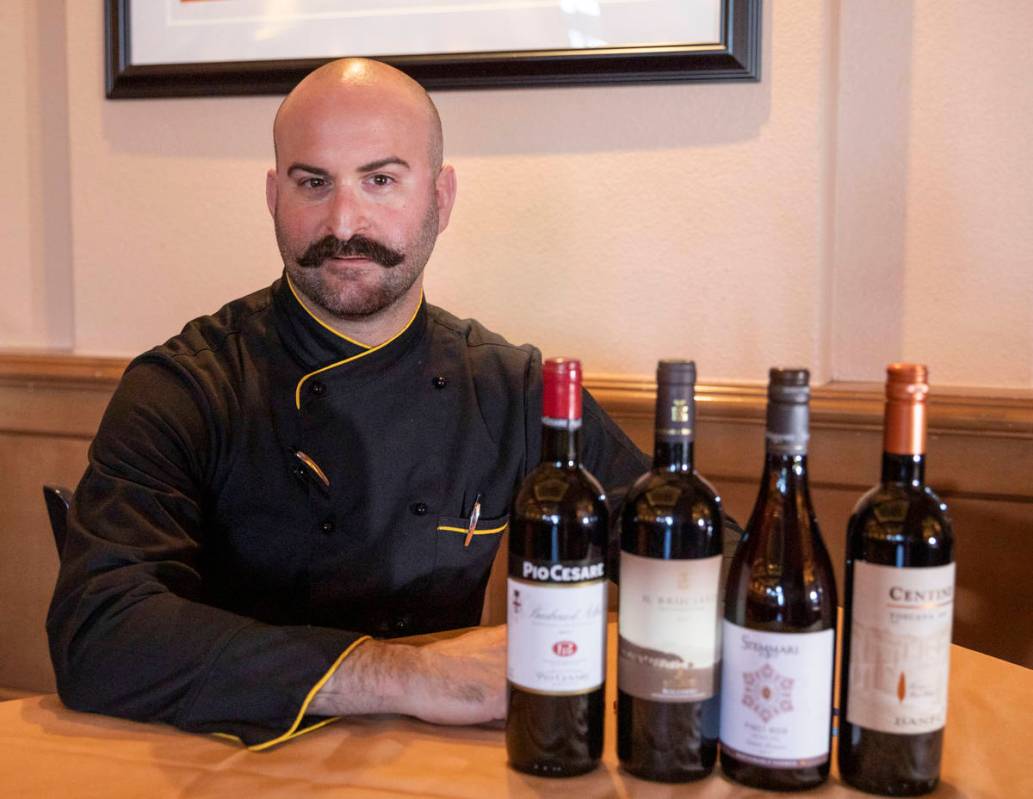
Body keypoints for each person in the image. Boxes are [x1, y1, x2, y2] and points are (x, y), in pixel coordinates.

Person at [46, 58, 650, 750]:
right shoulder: (185, 387)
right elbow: (99, 629)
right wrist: (406, 676)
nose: (343, 220)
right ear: (274, 195)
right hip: (224, 758)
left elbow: (686, 551)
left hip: (433, 762)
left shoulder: (510, 388)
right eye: (313, 182)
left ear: (441, 199)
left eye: (381, 179)